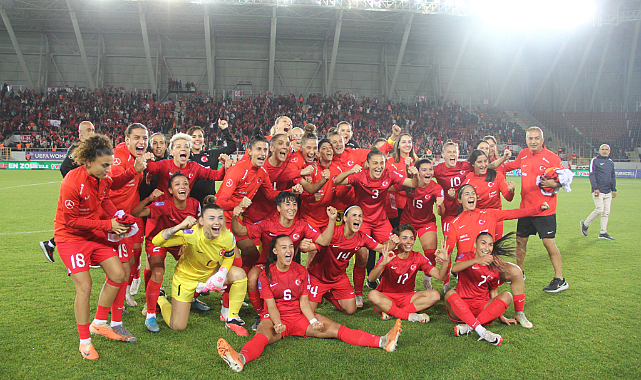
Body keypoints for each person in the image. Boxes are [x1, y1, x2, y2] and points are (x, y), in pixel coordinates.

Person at [216, 235, 403, 373]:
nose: (289, 250)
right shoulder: (266, 274)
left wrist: (313, 321)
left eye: (291, 247)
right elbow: (271, 305)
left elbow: (304, 302)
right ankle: (239, 359)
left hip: (298, 317)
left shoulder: (301, 271)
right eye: (283, 247)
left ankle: (382, 341)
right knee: (261, 338)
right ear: (275, 251)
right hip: (274, 318)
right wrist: (277, 323)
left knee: (338, 329)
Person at [54, 134, 146, 360]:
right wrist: (108, 224)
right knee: (84, 286)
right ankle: (84, 341)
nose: (108, 169)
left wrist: (117, 214)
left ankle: (99, 323)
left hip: (94, 234)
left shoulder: (102, 178)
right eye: (105, 165)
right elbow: (71, 221)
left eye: (110, 164)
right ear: (88, 162)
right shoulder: (71, 182)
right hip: (71, 238)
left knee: (118, 273)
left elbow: (105, 197)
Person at [232, 192, 337, 330]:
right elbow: (239, 231)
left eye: (294, 204)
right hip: (265, 264)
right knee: (252, 278)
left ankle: (289, 313)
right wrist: (235, 216)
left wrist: (332, 220)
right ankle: (262, 315)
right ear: (278, 208)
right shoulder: (268, 224)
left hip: (287, 267)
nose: (292, 208)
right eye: (287, 204)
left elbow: (324, 241)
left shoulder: (301, 225)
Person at [447, 184, 543, 328]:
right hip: (469, 270)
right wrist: (443, 255)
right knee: (474, 294)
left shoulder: (489, 214)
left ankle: (519, 312)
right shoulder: (455, 223)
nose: (471, 196)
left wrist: (538, 209)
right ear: (460, 200)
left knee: (516, 272)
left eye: (473, 193)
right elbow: (449, 248)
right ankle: (481, 315)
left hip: (490, 266)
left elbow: (515, 213)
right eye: (467, 194)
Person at [152, 196, 249, 335]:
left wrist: (222, 273)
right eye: (212, 218)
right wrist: (179, 226)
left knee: (239, 274)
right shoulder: (191, 234)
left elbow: (229, 255)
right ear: (201, 221)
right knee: (177, 326)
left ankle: (232, 318)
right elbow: (157, 241)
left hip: (210, 274)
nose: (217, 222)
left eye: (220, 218)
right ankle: (160, 299)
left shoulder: (227, 236)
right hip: (186, 279)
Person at [333, 149, 418, 307]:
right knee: (362, 257)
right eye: (375, 163)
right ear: (368, 164)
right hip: (363, 221)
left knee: (393, 250)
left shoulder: (389, 174)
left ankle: (388, 288)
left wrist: (415, 174)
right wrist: (350, 171)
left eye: (381, 163)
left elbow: (413, 184)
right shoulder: (360, 175)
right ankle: (358, 294)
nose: (379, 166)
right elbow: (337, 180)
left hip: (380, 220)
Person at [131, 173, 201, 332]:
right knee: (157, 271)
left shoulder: (195, 204)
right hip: (158, 240)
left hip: (179, 242)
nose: (182, 186)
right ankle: (150, 314)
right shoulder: (163, 204)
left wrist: (187, 243)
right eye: (177, 184)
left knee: (199, 264)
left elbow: (199, 227)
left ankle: (193, 298)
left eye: (185, 183)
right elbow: (135, 213)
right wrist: (149, 198)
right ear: (170, 189)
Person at [502, 127, 569, 292]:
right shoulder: (523, 154)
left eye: (536, 138)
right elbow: (506, 167)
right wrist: (494, 164)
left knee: (548, 243)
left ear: (542, 140)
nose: (533, 141)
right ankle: (518, 273)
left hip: (545, 209)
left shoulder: (552, 158)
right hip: (526, 209)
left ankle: (560, 279)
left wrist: (555, 184)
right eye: (530, 138)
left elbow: (566, 177)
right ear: (526, 140)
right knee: (520, 241)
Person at [306, 205, 399, 315]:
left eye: (360, 216)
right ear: (345, 218)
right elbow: (310, 247)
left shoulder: (361, 237)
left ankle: (327, 293)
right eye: (354, 215)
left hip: (339, 278)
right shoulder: (333, 234)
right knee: (308, 311)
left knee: (351, 310)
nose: (357, 218)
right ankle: (318, 290)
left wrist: (393, 242)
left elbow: (382, 248)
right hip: (319, 277)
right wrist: (305, 245)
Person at [445, 232, 518, 346]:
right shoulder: (466, 256)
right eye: (483, 243)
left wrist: (501, 316)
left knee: (507, 295)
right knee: (450, 293)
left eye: (490, 245)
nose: (486, 248)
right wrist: (475, 261)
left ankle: (470, 327)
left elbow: (493, 291)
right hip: (461, 307)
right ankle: (481, 330)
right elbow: (454, 268)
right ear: (475, 244)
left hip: (482, 309)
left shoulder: (494, 266)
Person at [367, 224, 449, 322]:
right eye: (405, 238)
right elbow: (371, 279)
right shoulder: (389, 255)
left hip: (407, 297)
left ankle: (394, 313)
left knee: (435, 295)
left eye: (411, 238)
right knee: (373, 295)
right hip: (387, 297)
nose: (409, 242)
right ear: (397, 241)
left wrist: (445, 262)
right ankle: (410, 316)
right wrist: (383, 264)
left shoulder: (418, 257)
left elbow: (441, 276)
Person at [40, 121, 95, 262]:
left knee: (87, 222)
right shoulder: (77, 147)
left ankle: (51, 244)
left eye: (93, 129)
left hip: (88, 192)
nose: (92, 132)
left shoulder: (88, 147)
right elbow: (64, 168)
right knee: (81, 222)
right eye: (88, 130)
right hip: (79, 193)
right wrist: (76, 187)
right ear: (80, 133)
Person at [397, 158, 444, 289]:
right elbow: (390, 187)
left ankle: (427, 280)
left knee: (430, 253)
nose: (428, 172)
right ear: (417, 172)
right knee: (401, 253)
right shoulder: (410, 184)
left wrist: (440, 206)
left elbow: (441, 212)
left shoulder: (436, 187)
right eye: (424, 170)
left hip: (426, 223)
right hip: (407, 222)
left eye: (430, 169)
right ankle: (399, 280)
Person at [463, 149, 516, 239]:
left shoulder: (497, 175)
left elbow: (508, 198)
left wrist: (511, 191)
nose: (483, 165)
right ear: (473, 164)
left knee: (496, 248)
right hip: (477, 217)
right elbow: (463, 201)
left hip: (496, 217)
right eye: (480, 162)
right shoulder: (468, 179)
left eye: (485, 161)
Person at [187, 119, 237, 204]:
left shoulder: (212, 154)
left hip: (209, 201)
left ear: (203, 139)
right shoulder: (186, 157)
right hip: (191, 201)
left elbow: (232, 147)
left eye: (200, 136)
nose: (197, 139)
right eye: (194, 137)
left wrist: (225, 130)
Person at [581, 144, 617, 240]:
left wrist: (614, 189)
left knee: (606, 212)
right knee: (600, 209)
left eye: (607, 149)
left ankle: (603, 232)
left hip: (608, 191)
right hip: (599, 191)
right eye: (603, 149)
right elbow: (592, 175)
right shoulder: (594, 161)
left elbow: (612, 176)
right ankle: (585, 224)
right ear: (599, 150)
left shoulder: (610, 162)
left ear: (609, 151)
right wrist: (595, 188)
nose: (605, 151)